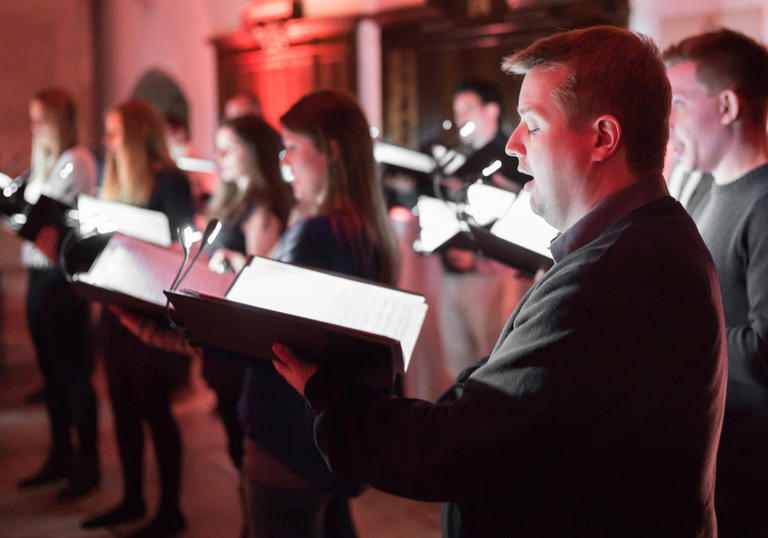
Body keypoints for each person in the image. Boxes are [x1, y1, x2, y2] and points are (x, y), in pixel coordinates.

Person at [273, 26, 728, 537]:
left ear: (603, 137)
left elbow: (452, 452)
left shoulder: (615, 277)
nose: (513, 147)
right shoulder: (640, 237)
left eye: (532, 126)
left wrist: (329, 394)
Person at [236, 89, 398, 538]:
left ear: (333, 151)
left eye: (292, 147)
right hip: (322, 433)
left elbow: (274, 342)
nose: (284, 162)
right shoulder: (359, 225)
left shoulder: (319, 233)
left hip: (288, 433)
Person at [663, 29, 768, 537]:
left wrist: (671, 333)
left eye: (679, 103)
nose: (669, 122)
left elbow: (764, 349)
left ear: (727, 106)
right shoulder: (703, 186)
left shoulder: (764, 205)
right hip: (713, 441)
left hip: (752, 458)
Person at [81, 100, 194, 537]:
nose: (107, 141)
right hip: (116, 310)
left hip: (153, 314)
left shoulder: (170, 182)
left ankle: (170, 510)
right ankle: (131, 499)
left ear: (137, 134)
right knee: (123, 409)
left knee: (156, 410)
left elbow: (182, 246)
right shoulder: (114, 181)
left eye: (114, 132)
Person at [16, 88, 100, 501]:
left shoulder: (76, 159)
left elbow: (43, 217)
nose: (34, 128)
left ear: (60, 121)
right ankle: (60, 455)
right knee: (51, 376)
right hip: (37, 279)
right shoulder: (43, 165)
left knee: (73, 376)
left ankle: (88, 465)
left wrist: (24, 212)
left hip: (60, 282)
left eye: (41, 119)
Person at [437, 80, 533, 378]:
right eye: (457, 111)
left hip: (494, 277)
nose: (461, 117)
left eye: (468, 108)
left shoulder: (512, 158)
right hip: (452, 273)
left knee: (493, 367)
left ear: (491, 110)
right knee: (456, 368)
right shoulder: (455, 158)